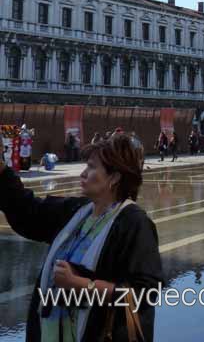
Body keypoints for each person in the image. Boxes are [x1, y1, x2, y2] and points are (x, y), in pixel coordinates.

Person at [0, 133, 163, 341]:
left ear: (114, 178)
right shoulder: (77, 211)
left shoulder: (134, 224)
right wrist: (2, 170)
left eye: (92, 167)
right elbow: (28, 212)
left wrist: (80, 283)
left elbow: (144, 294)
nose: (83, 174)